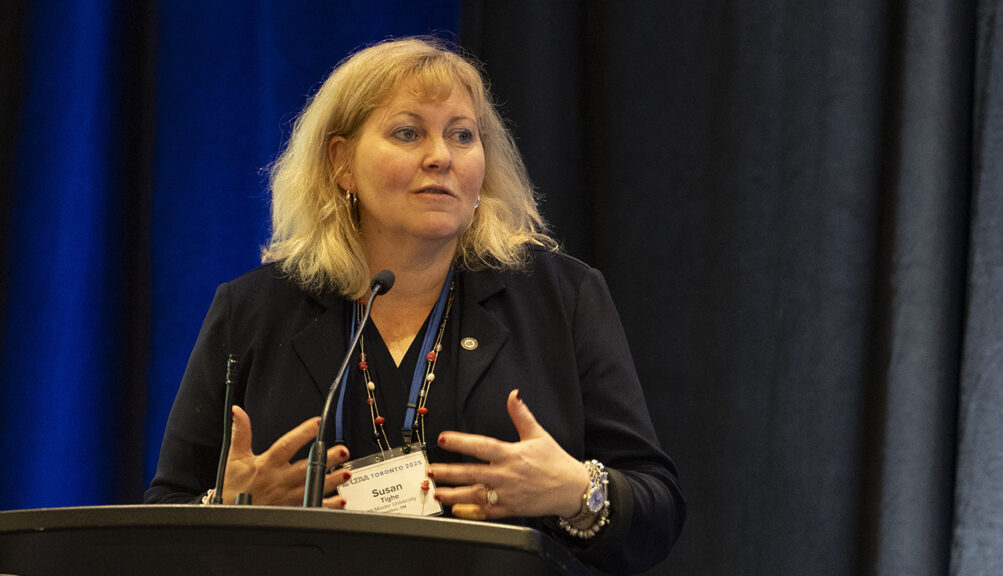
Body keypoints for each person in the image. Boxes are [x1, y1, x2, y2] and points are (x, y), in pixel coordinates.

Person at [145, 36, 685, 574]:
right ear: (342, 164)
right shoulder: (255, 309)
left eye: (462, 135)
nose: (440, 157)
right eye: (408, 133)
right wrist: (229, 511)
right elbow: (158, 523)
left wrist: (575, 491)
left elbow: (656, 513)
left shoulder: (561, 297)